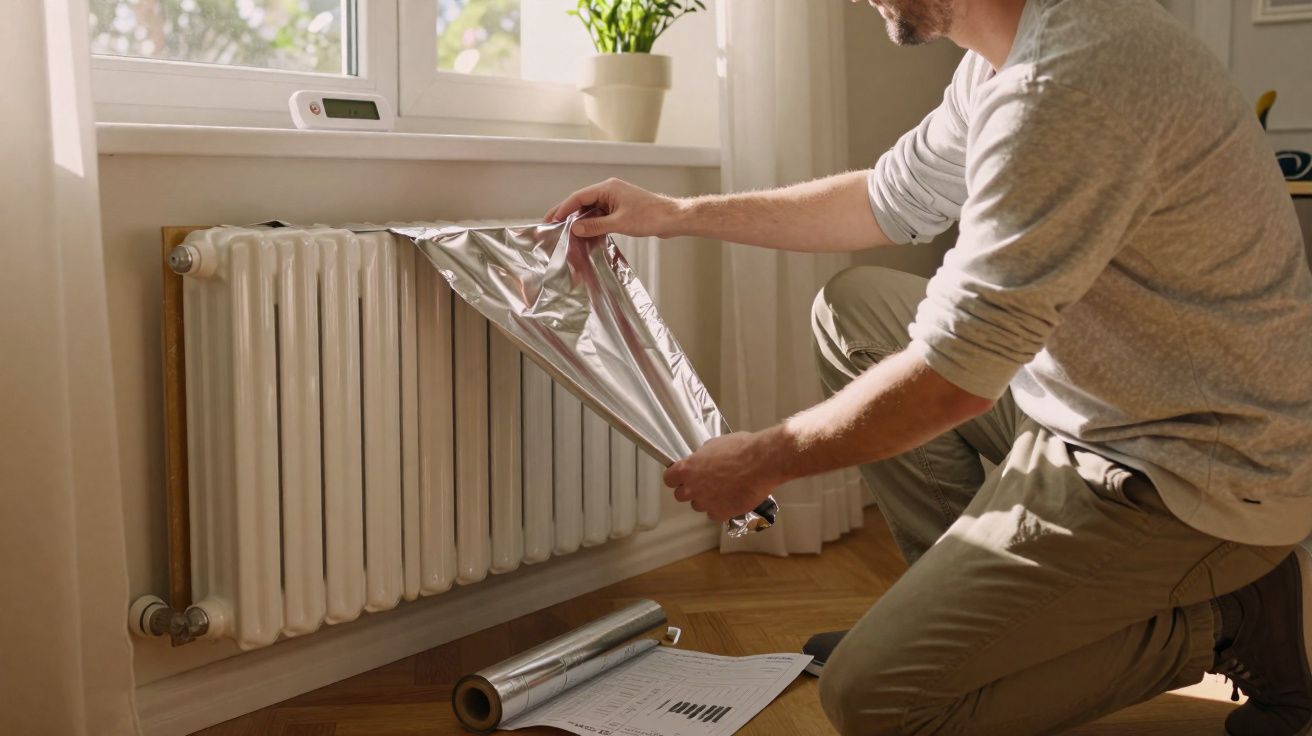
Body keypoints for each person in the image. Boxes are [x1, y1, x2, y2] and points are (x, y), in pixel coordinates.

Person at [544, 0, 1312, 733]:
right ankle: (960, 632)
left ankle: (1226, 620)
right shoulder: (1001, 59)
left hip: (1196, 470)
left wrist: (758, 462)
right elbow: (880, 201)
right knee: (854, 314)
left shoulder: (1066, 83)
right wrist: (674, 214)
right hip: (1097, 404)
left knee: (876, 703)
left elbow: (951, 382)